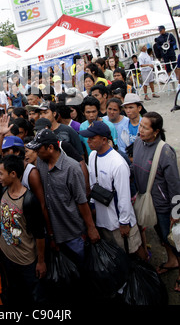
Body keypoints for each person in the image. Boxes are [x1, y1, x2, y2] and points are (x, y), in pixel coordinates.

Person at [26, 129, 100, 264]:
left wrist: (91, 228)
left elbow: (81, 202)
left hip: (74, 233)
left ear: (50, 148)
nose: (36, 153)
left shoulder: (72, 168)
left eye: (38, 149)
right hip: (54, 232)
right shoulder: (41, 163)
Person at [78, 121, 144, 257]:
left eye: (92, 138)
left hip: (118, 221)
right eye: (87, 137)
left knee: (134, 251)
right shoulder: (93, 156)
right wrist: (93, 206)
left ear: (104, 140)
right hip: (103, 221)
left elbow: (124, 195)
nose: (88, 141)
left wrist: (124, 222)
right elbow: (93, 183)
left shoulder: (118, 164)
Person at [131, 112, 180, 291]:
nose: (140, 130)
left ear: (156, 131)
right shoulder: (138, 143)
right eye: (140, 125)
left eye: (145, 127)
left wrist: (176, 211)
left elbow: (175, 185)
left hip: (164, 205)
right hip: (146, 200)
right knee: (162, 236)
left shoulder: (165, 151)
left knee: (173, 239)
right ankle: (172, 261)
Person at [0, 154, 47, 305]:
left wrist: (41, 262)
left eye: (1, 173)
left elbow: (39, 234)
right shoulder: (4, 190)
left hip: (26, 261)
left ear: (13, 174)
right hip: (7, 255)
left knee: (35, 296)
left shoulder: (29, 200)